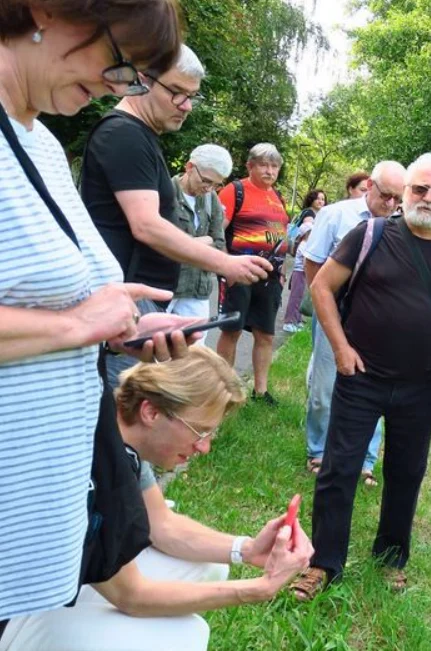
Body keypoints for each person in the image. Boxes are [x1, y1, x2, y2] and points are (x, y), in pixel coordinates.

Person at [0, 0, 204, 632]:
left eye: (137, 76)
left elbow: (54, 303)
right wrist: (76, 326)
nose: (119, 87)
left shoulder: (38, 142)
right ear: (47, 11)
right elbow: (67, 317)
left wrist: (119, 329)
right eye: (120, 62)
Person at [292, 153, 431, 598]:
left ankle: (390, 558)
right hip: (361, 377)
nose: (428, 199)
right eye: (421, 189)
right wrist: (340, 348)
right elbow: (321, 288)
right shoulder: (371, 234)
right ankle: (324, 563)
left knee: (406, 474)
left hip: (421, 385)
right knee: (338, 470)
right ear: (406, 192)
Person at [0, 347, 314, 650]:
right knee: (186, 634)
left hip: (45, 590)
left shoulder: (115, 432)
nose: (204, 447)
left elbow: (161, 524)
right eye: (199, 431)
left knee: (209, 568)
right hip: (14, 611)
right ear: (151, 411)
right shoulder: (93, 468)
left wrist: (246, 549)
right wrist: (259, 588)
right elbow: (131, 596)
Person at [81, 44, 272, 388]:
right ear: (141, 80)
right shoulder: (123, 134)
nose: (186, 106)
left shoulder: (141, 135)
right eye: (177, 93)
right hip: (121, 298)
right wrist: (223, 262)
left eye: (192, 96)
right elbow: (146, 225)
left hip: (138, 299)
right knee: (119, 410)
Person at [301, 161, 406, 479]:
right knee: (324, 388)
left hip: (378, 324)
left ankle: (365, 460)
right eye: (386, 195)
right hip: (335, 314)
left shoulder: (402, 225)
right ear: (370, 186)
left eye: (398, 200)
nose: (390, 204)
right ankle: (318, 450)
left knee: (374, 390)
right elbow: (313, 264)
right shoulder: (336, 215)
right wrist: (325, 308)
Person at [215, 143, 290, 405]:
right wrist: (225, 266)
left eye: (274, 166)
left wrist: (280, 272)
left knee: (265, 334)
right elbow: (217, 233)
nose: (270, 171)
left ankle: (260, 391)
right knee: (231, 330)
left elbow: (281, 234)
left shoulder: (278, 197)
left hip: (270, 278)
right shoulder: (234, 191)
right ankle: (224, 388)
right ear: (250, 166)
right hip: (239, 273)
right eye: (264, 165)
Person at [167, 144, 233, 320]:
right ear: (189, 168)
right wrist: (203, 241)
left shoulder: (212, 200)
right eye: (206, 181)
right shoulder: (164, 192)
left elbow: (219, 244)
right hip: (164, 288)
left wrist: (191, 244)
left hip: (197, 289)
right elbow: (159, 242)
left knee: (194, 346)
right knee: (153, 344)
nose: (209, 188)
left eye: (217, 185)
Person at [283, 188, 326, 332]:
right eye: (318, 198)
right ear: (311, 200)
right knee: (297, 291)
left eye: (323, 199)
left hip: (307, 256)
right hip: (303, 257)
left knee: (302, 291)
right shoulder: (309, 213)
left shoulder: (317, 214)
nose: (321, 201)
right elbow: (310, 232)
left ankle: (297, 319)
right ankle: (289, 321)